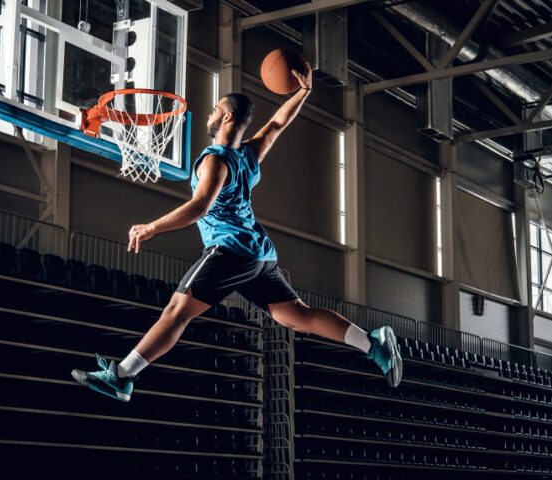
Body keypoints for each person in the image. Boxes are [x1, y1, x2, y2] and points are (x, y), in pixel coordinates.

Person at [72, 58, 402, 402]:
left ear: (227, 117)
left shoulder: (215, 159)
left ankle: (122, 376)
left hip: (229, 250)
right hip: (259, 253)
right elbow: (277, 124)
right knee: (297, 316)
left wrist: (152, 226)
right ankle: (372, 342)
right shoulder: (248, 155)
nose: (210, 114)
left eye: (216, 109)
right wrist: (303, 91)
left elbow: (200, 207)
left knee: (176, 312)